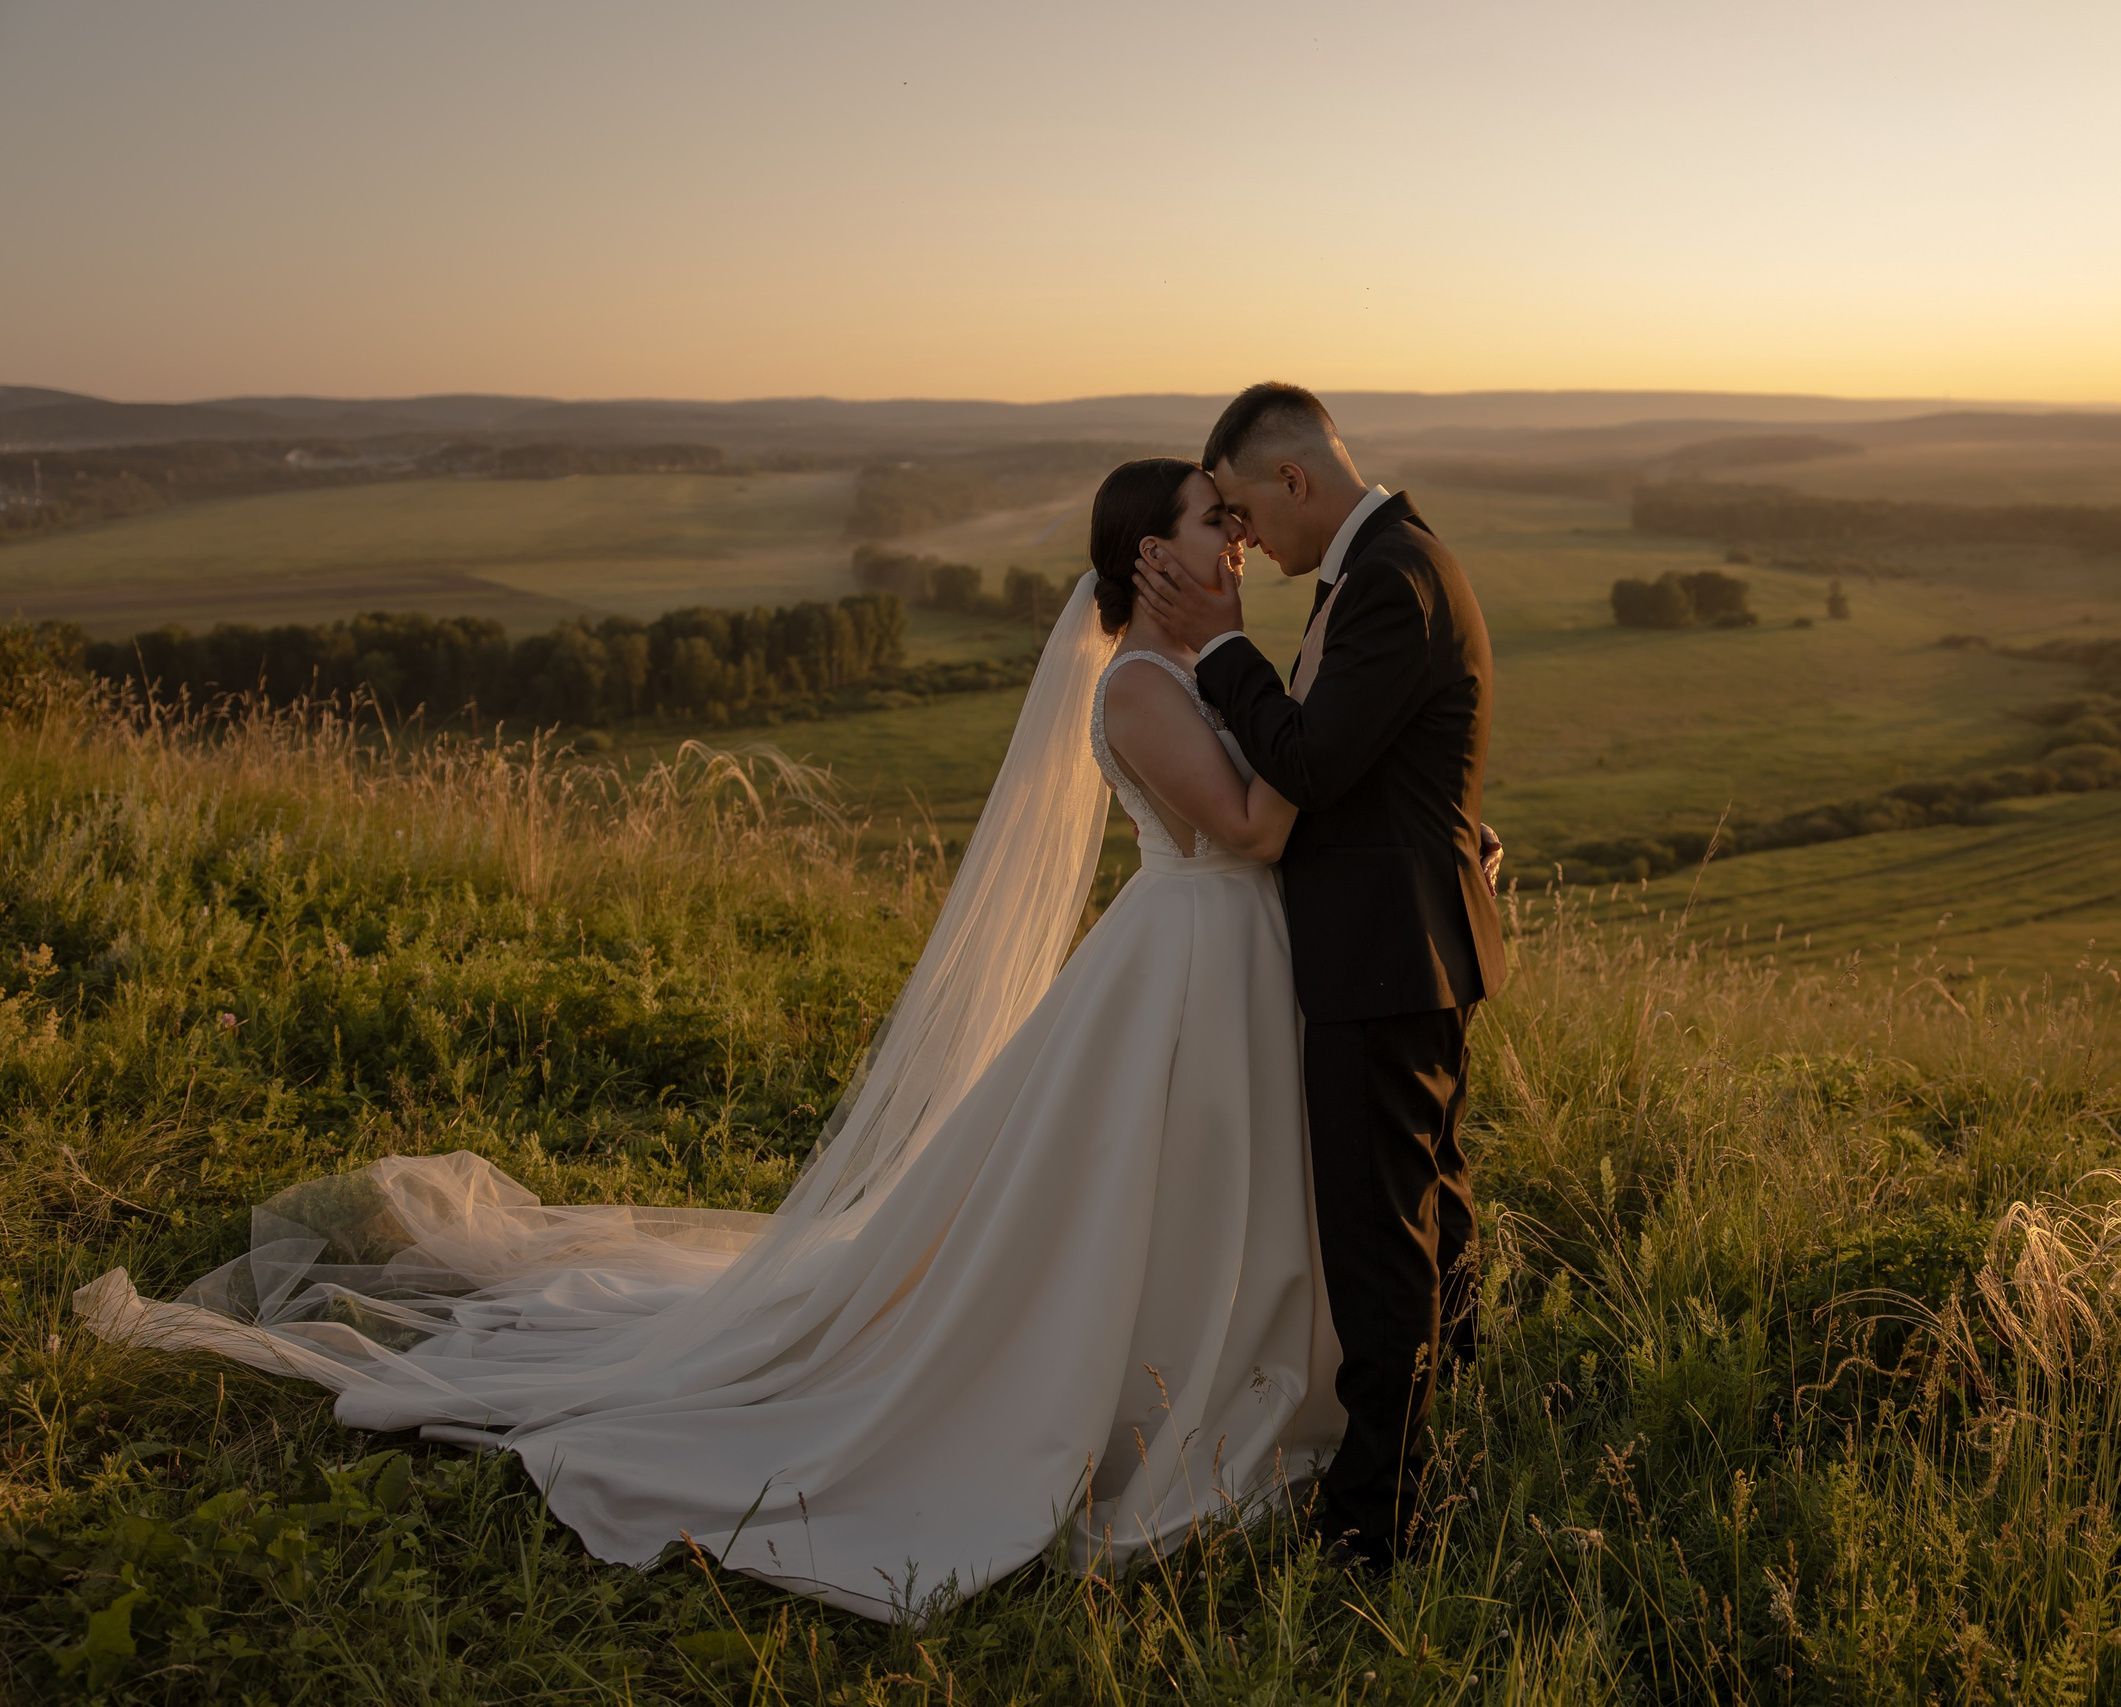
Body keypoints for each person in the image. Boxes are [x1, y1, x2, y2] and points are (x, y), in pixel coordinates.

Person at [76, 458, 1345, 1620]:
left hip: (1231, 967)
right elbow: (1247, 827)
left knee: (1197, 1190)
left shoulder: (1201, 669)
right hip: (1178, 964)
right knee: (1138, 1194)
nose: (1234, 542)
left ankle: (1219, 1364)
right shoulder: (1136, 685)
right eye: (1209, 524)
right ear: (1149, 558)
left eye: (1237, 526)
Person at [1136, 382, 1507, 1564]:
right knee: (1425, 1204)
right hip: (1408, 940)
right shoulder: (1394, 562)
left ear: (1292, 479)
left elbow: (1311, 756)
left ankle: (1374, 1519)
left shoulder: (1388, 581)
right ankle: (1437, 1429)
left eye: (1241, 510)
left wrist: (1217, 644)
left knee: (1377, 1237)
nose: (1241, 540)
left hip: (1382, 954)